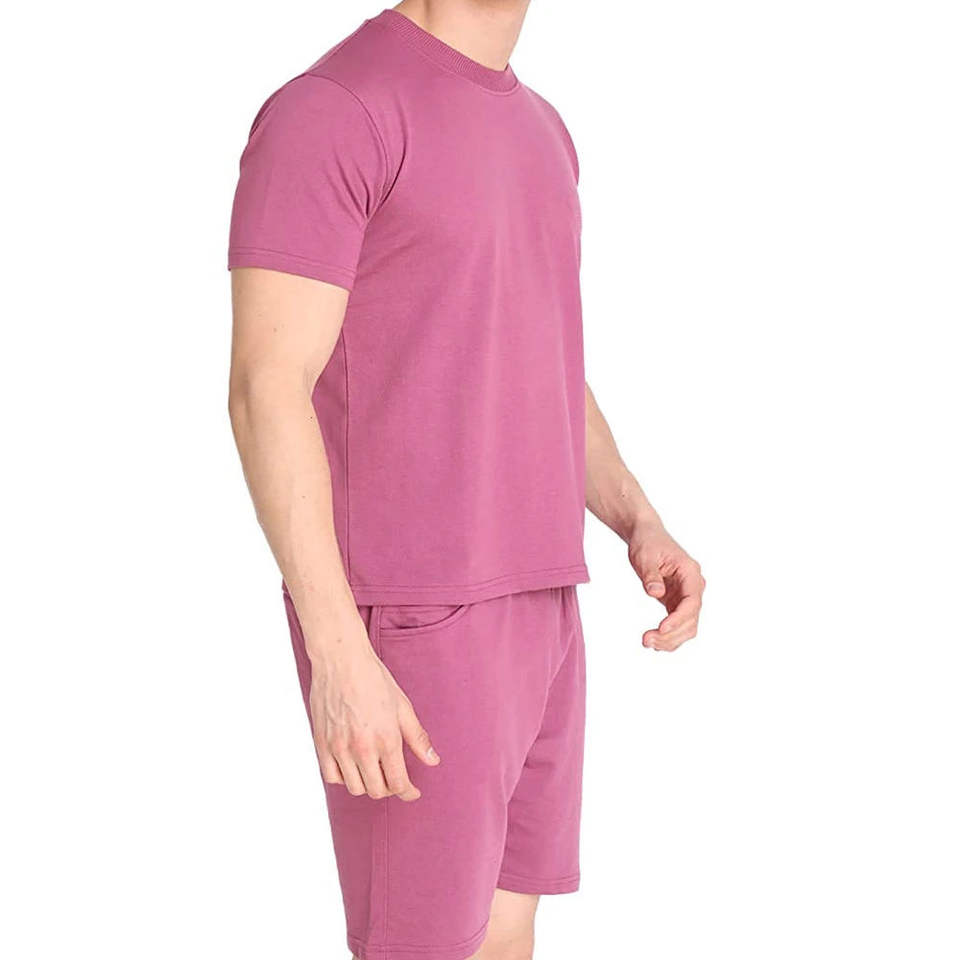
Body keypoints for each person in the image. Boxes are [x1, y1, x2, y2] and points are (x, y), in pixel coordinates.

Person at [228, 2, 705, 958]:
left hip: (543, 598)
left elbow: (535, 355)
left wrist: (636, 518)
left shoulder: (542, 130)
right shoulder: (336, 109)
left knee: (504, 937)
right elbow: (264, 386)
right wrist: (338, 650)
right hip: (414, 619)